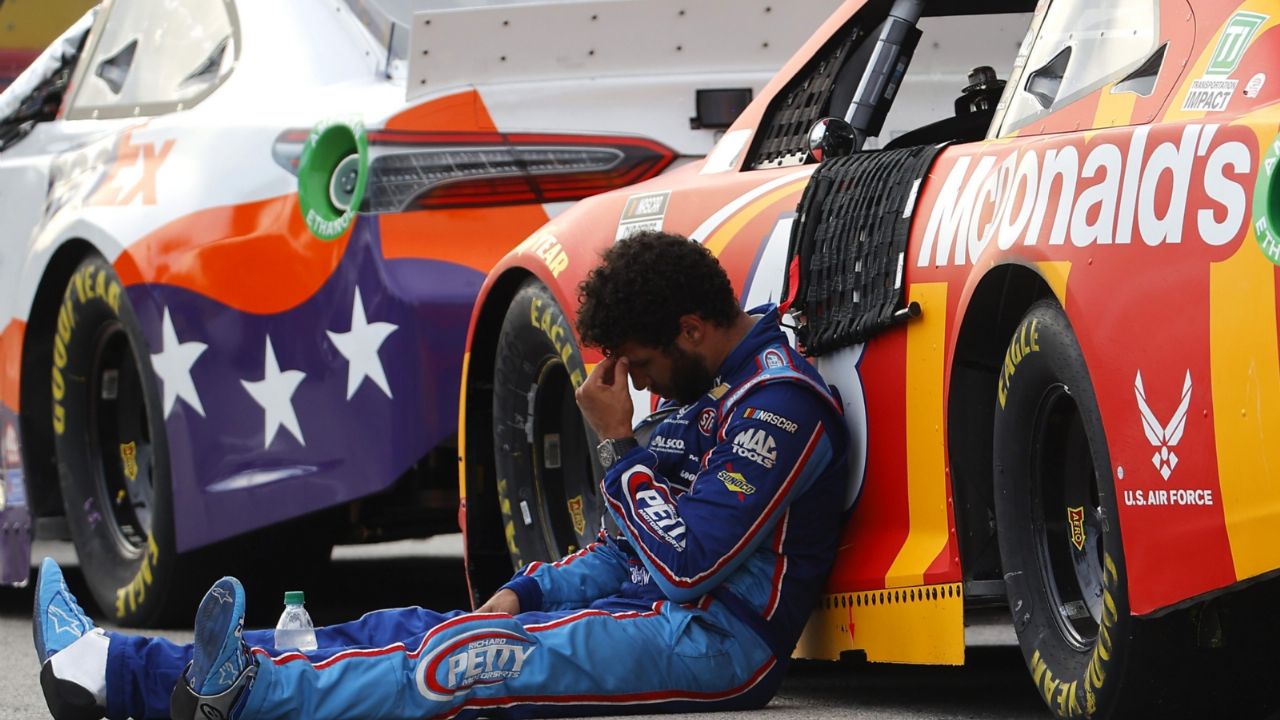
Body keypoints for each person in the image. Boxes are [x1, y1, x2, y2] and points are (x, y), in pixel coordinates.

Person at [33, 230, 851, 720]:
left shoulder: (780, 404)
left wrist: (620, 448)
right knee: (402, 625)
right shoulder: (715, 389)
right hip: (656, 611)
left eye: (639, 363)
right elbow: (631, 553)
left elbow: (688, 562)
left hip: (717, 644)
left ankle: (202, 688)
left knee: (464, 660)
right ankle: (116, 664)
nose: (634, 384)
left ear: (692, 328)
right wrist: (532, 591)